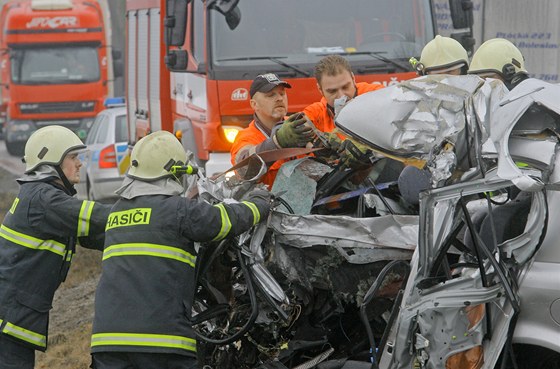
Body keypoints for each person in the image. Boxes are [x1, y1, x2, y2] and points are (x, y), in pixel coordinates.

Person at [90, 131, 271, 369]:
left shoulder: (116, 213)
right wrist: (259, 204)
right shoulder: (179, 211)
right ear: (175, 172)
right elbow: (224, 221)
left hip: (107, 341)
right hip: (162, 342)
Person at [0, 125, 111, 369]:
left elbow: (95, 235)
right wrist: (147, 213)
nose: (80, 163)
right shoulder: (44, 200)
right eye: (73, 157)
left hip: (13, 316)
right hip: (8, 318)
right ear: (51, 163)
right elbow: (95, 215)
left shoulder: (42, 199)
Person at [230, 73, 314, 186]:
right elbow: (243, 171)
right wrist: (277, 142)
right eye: (270, 95)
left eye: (282, 93)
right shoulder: (245, 138)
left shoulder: (299, 124)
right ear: (254, 105)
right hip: (270, 202)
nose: (279, 98)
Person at [303, 54, 384, 134]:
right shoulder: (317, 113)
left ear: (353, 78)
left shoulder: (377, 94)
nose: (341, 96)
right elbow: (294, 123)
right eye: (332, 91)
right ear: (320, 90)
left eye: (345, 87)